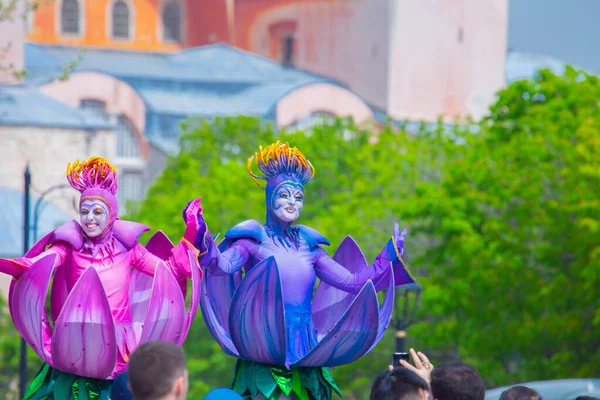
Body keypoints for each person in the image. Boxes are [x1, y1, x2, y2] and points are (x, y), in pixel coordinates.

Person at [192, 142, 418, 399]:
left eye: (298, 197)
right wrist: (203, 241)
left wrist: (387, 256)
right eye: (284, 194)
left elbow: (354, 283)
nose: (292, 203)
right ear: (270, 197)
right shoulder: (253, 240)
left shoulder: (309, 246)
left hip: (306, 351)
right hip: (263, 348)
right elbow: (221, 266)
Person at [0, 156, 203, 399]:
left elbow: (167, 271)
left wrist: (190, 231)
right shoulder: (69, 247)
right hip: (75, 343)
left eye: (97, 212)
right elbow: (39, 264)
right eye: (84, 211)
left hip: (118, 351)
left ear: (111, 215)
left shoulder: (129, 249)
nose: (90, 219)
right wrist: (16, 266)